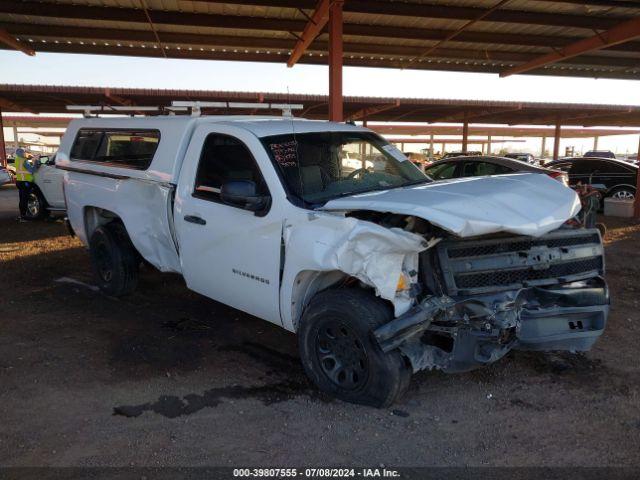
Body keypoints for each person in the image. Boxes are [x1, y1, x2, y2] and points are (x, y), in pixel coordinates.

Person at [14, 148, 38, 220]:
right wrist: (36, 163)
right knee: (25, 199)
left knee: (22, 199)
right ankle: (24, 217)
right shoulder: (24, 161)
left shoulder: (17, 159)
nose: (25, 153)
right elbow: (32, 170)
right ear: (22, 153)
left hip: (19, 182)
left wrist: (30, 158)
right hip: (25, 182)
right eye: (24, 152)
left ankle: (22, 215)